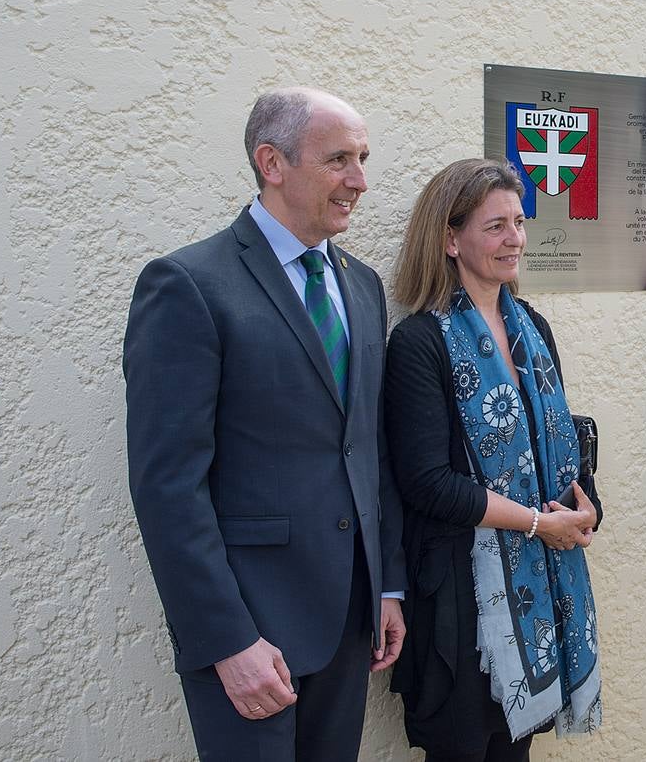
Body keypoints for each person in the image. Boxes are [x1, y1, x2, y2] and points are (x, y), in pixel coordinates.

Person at [123, 88, 406, 760]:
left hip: (349, 621)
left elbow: (369, 448)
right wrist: (226, 640)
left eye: (362, 158)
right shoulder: (188, 285)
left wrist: (386, 585)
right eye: (339, 159)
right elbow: (168, 486)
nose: (359, 181)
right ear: (271, 162)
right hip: (251, 632)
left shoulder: (362, 285)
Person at [385, 157, 603, 761]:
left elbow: (554, 442)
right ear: (450, 239)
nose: (515, 239)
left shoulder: (533, 327)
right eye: (495, 226)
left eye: (519, 222)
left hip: (536, 593)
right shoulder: (419, 344)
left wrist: (584, 506)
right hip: (461, 603)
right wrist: (539, 523)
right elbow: (427, 482)